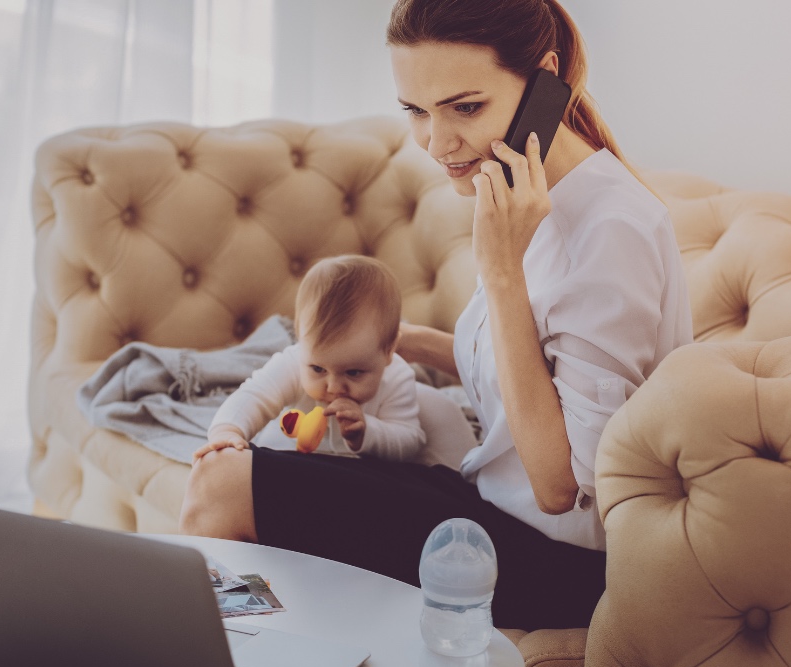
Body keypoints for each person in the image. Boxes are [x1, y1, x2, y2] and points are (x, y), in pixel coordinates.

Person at [179, 0, 693, 631]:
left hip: (559, 558)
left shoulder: (611, 232)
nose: (437, 142)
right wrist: (398, 344)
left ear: (545, 81)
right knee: (227, 478)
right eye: (416, 111)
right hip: (487, 505)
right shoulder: (531, 197)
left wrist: (501, 272)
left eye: (465, 106)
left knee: (224, 490)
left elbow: (560, 488)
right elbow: (529, 370)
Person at [194, 255, 425, 462]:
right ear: (301, 339)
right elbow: (254, 396)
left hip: (361, 479)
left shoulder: (397, 378)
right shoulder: (294, 362)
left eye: (353, 372)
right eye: (317, 369)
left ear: (388, 350)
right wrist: (227, 431)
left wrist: (367, 432)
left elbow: (410, 441)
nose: (334, 387)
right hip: (289, 461)